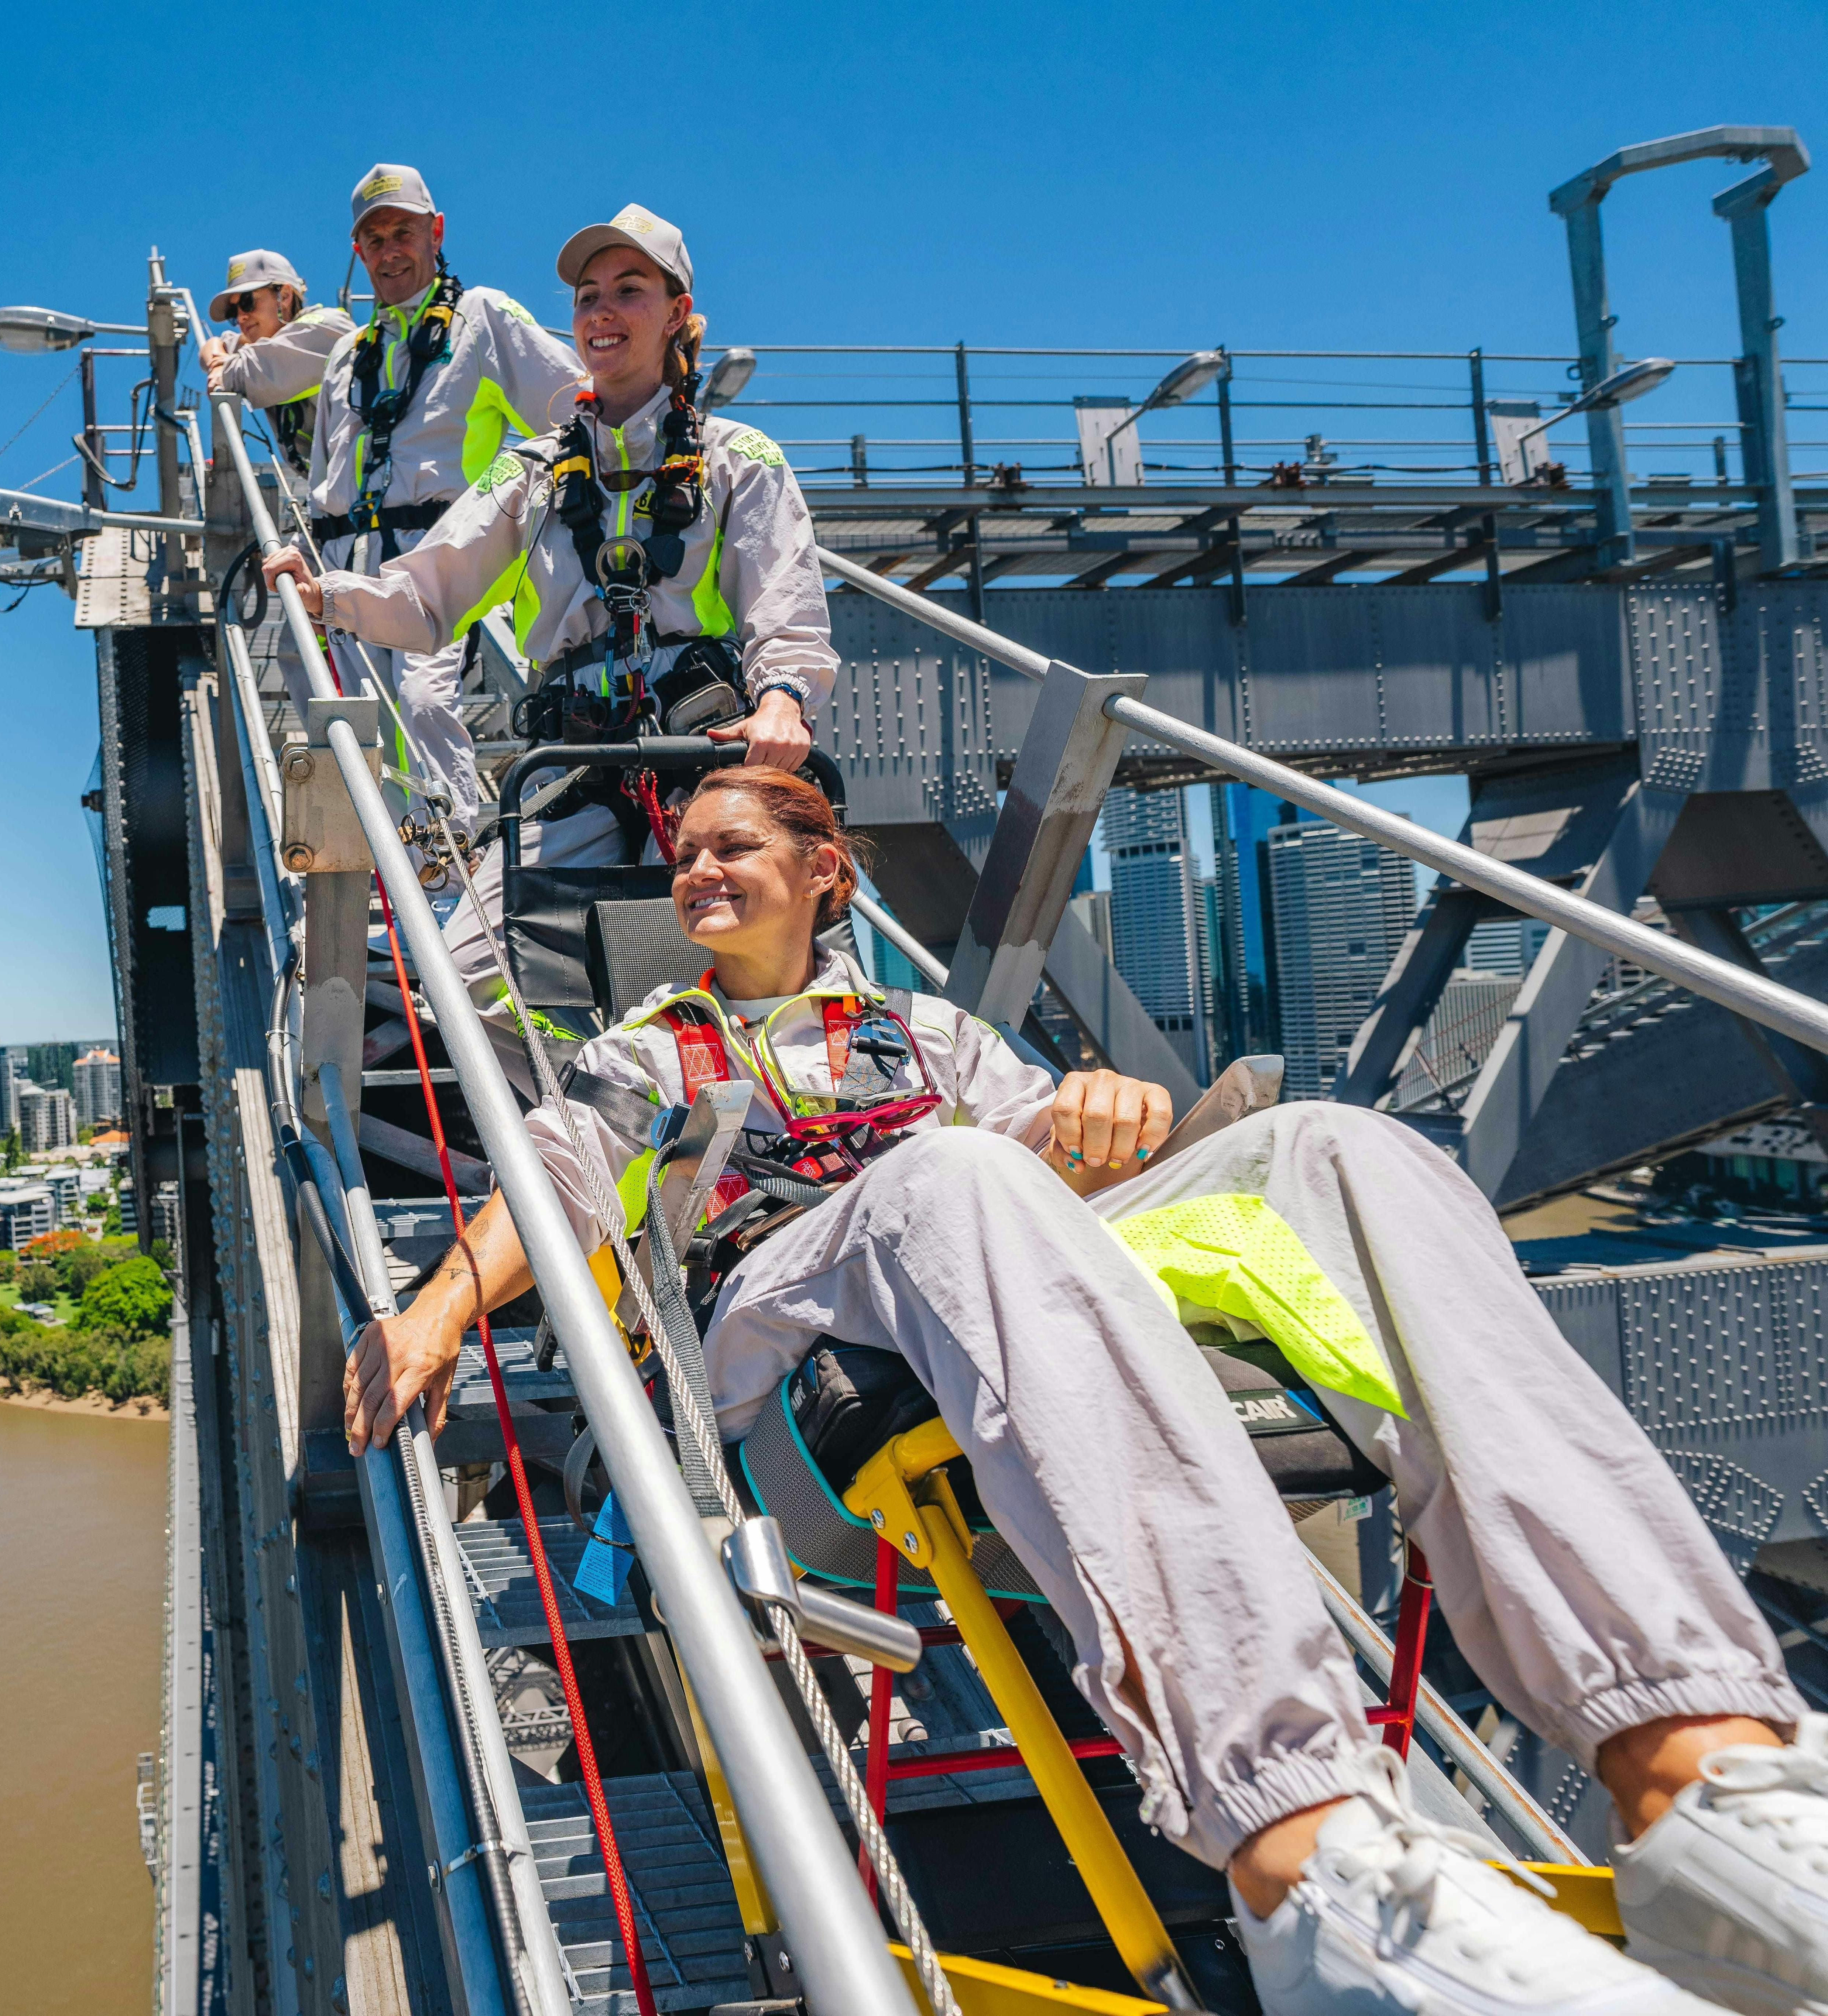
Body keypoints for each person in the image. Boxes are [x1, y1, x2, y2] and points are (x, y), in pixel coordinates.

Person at [344, 761, 1828, 2016]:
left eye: (729, 846)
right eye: (683, 856)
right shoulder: (644, 1053)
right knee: (947, 1175)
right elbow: (548, 1193)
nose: (693, 873)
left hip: (967, 1270)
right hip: (778, 1368)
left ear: (824, 873)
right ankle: (1304, 1849)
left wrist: (1105, 1118)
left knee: (1337, 1150)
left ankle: (1697, 1769)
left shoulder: (930, 1038)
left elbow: (1054, 1161)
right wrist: (429, 1316)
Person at [265, 206, 831, 999]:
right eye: (587, 296)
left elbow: (787, 609)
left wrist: (781, 701)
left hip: (701, 766)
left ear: (676, 314)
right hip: (571, 769)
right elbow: (426, 597)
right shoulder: (528, 474)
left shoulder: (739, 459)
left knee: (741, 959)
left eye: (628, 290)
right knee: (468, 981)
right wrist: (327, 594)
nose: (601, 311)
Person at [265, 164, 586, 838]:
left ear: (436, 233)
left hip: (434, 563)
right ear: (358, 251)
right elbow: (324, 481)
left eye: (404, 233)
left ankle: (448, 870)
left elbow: (578, 413)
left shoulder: (483, 320)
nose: (390, 252)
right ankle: (384, 875)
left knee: (422, 705)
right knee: (353, 727)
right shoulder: (347, 356)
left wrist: (519, 510)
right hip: (344, 565)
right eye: (375, 239)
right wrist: (304, 555)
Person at [200, 250, 353, 480]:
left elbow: (256, 371)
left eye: (248, 303)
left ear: (285, 295)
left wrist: (223, 370)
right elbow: (215, 345)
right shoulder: (266, 346)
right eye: (234, 312)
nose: (241, 318)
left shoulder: (327, 327)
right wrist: (217, 362)